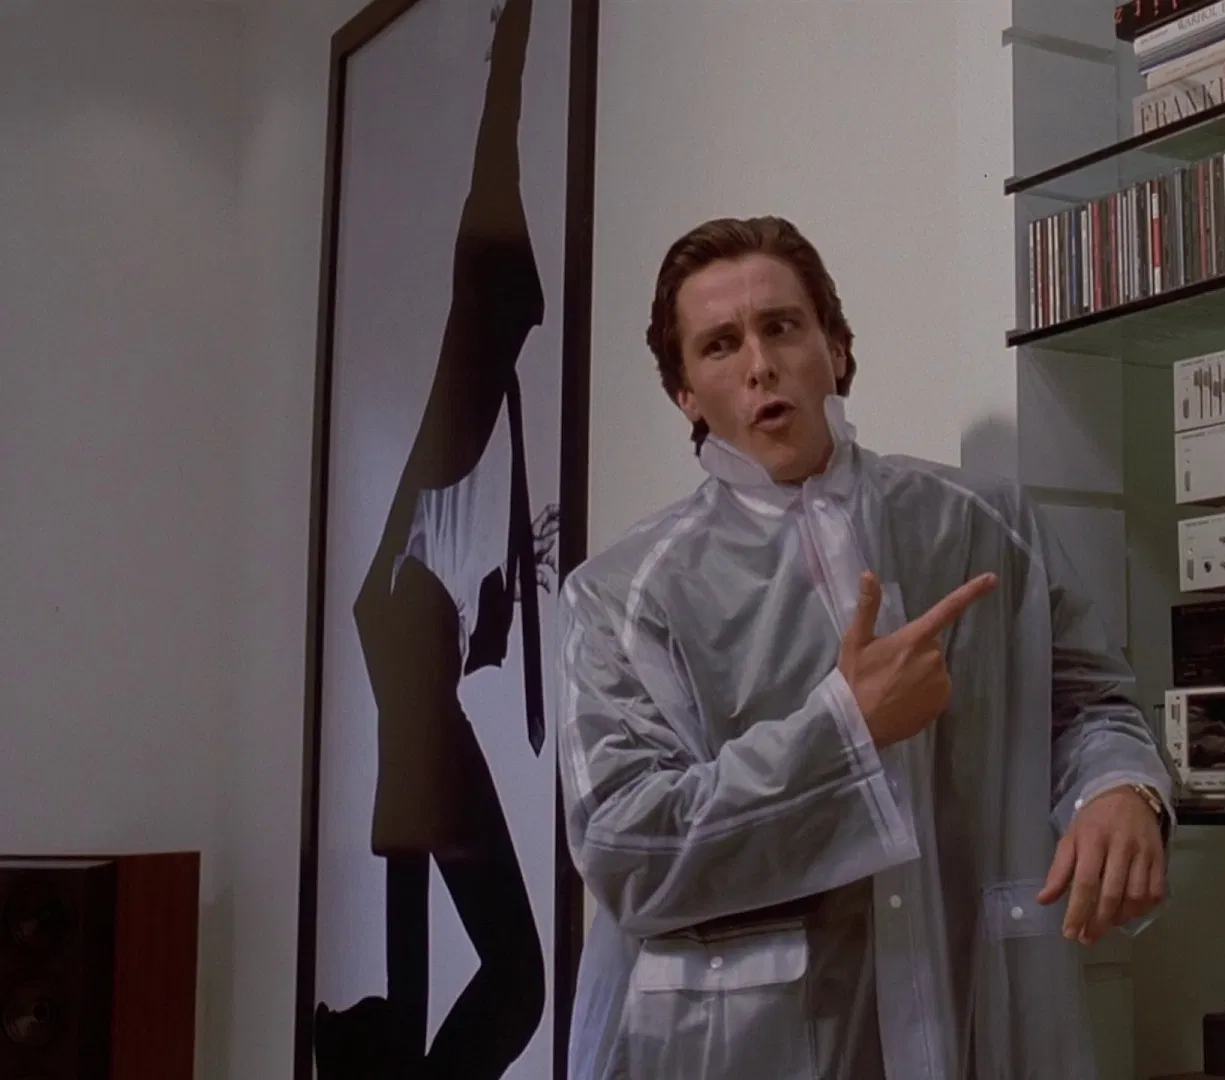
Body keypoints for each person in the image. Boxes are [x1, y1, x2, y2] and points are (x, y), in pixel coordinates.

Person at [556, 215, 1176, 1080]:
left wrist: (1122, 789)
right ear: (686, 394)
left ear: (836, 348)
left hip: (975, 1024)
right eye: (720, 346)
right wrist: (845, 730)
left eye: (782, 327)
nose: (760, 365)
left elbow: (1090, 705)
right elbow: (629, 847)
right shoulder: (623, 594)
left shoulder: (983, 524)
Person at [311, 1, 549, 1077]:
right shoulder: (464, 356)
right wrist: (514, 43)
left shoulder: (451, 452)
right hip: (419, 712)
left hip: (414, 707)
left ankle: (372, 1047)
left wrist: (474, 627)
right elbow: (497, 149)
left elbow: (388, 603)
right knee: (517, 978)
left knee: (438, 992)